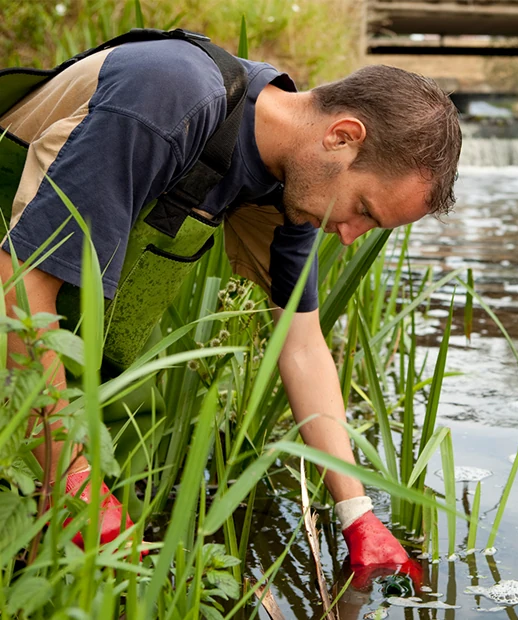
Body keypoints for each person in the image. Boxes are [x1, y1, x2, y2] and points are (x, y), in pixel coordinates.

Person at [0, 32, 461, 573]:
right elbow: (20, 293)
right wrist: (74, 486)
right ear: (342, 136)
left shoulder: (286, 187)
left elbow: (303, 345)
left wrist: (358, 514)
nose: (349, 236)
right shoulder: (169, 97)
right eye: (363, 209)